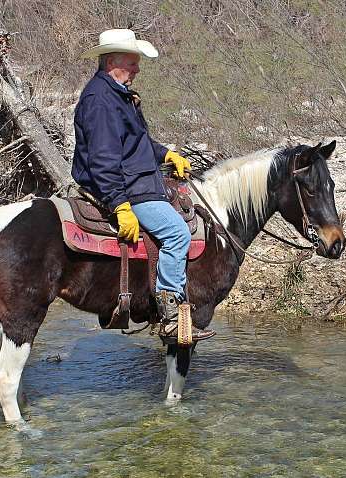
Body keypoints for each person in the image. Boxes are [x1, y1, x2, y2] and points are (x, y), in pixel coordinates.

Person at [72, 29, 215, 343]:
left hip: (138, 181)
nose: (137, 69)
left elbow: (137, 143)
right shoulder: (100, 100)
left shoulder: (117, 94)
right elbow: (103, 159)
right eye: (132, 63)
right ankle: (169, 312)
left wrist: (167, 154)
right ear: (112, 62)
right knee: (177, 233)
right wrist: (119, 204)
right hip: (128, 188)